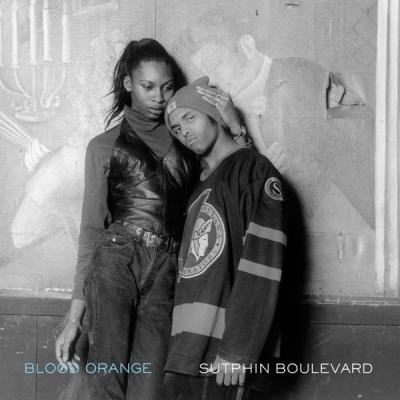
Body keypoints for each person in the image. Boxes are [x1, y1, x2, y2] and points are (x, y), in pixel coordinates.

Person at [54, 39, 242, 400]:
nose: (158, 97)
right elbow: (91, 233)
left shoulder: (187, 139)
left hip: (168, 270)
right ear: (129, 85)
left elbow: (237, 178)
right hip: (116, 261)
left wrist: (234, 126)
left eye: (167, 87)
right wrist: (73, 320)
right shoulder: (102, 147)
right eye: (148, 86)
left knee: (150, 391)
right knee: (106, 384)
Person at [162, 77, 287, 399]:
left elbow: (262, 264)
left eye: (190, 117)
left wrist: (238, 350)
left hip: (227, 356)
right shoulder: (200, 186)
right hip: (188, 349)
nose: (184, 131)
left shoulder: (254, 171)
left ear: (214, 115)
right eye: (176, 128)